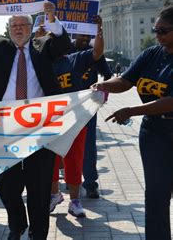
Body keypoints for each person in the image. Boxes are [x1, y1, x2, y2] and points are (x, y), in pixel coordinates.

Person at [0, 2, 71, 240]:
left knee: (39, 186)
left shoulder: (43, 45)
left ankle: (38, 234)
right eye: (13, 25)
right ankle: (17, 226)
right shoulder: (1, 48)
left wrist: (51, 18)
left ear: (30, 27)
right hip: (4, 128)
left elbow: (63, 44)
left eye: (22, 25)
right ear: (8, 29)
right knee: (6, 184)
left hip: (40, 127)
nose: (17, 29)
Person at [93, 6, 173, 240]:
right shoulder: (152, 54)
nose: (157, 35)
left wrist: (131, 110)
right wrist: (104, 85)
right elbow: (126, 80)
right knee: (156, 194)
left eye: (163, 31)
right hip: (154, 133)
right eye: (155, 30)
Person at [48, 16, 105, 218]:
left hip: (74, 119)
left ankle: (75, 200)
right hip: (49, 121)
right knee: (50, 161)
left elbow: (97, 52)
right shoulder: (38, 64)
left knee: (74, 159)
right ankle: (54, 195)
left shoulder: (73, 59)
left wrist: (98, 30)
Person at [69, 33, 113, 198]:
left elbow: (107, 73)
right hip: (67, 106)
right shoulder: (65, 50)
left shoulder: (94, 52)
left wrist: (103, 88)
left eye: (89, 34)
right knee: (64, 145)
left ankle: (90, 183)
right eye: (83, 34)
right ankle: (69, 181)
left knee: (88, 144)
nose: (86, 37)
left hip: (88, 105)